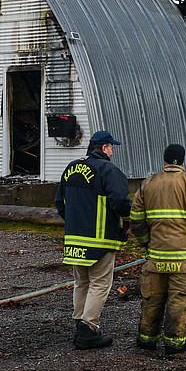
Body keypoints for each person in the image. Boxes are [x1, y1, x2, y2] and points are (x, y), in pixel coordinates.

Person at [129, 143, 186, 354]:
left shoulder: (148, 183)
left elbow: (136, 219)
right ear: (182, 161)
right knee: (178, 300)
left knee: (153, 299)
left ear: (164, 160)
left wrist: (146, 241)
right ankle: (175, 343)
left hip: (155, 256)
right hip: (184, 258)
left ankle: (147, 340)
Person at [54, 129, 131, 350]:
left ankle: (80, 323)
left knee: (81, 282)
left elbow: (60, 202)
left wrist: (73, 223)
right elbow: (119, 200)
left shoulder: (71, 168)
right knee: (100, 283)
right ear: (104, 148)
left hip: (75, 239)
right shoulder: (108, 169)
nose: (113, 153)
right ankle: (89, 329)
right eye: (111, 148)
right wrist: (129, 221)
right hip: (100, 240)